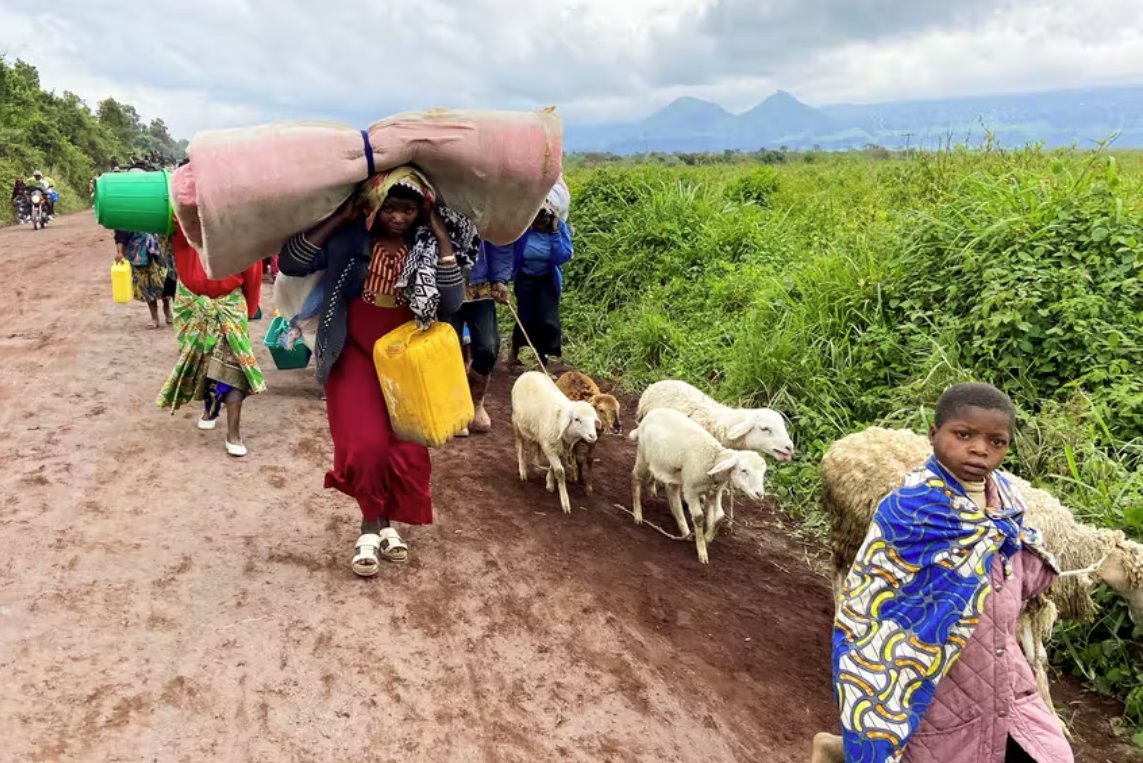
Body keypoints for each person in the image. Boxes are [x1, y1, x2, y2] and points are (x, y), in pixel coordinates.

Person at [825, 382, 1073, 763]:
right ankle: (836, 750)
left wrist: (1034, 563)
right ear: (933, 434)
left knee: (1050, 752)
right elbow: (875, 602)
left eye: (997, 442)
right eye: (964, 435)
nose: (979, 449)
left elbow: (1015, 571)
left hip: (1001, 667)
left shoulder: (1006, 498)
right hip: (931, 676)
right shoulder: (911, 511)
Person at [278, 166, 478, 577]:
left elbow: (454, 301)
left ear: (421, 213)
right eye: (391, 209)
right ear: (374, 205)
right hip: (353, 352)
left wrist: (441, 237)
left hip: (407, 360)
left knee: (405, 447)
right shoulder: (351, 239)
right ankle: (371, 524)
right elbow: (291, 261)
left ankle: (385, 521)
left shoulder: (425, 246)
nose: (399, 218)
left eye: (409, 210)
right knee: (365, 444)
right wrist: (341, 216)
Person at [156, 220, 265, 457]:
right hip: (192, 302)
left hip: (228, 303)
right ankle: (210, 408)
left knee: (234, 367)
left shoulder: (240, 226)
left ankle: (233, 433)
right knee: (204, 363)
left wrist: (245, 311)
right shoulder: (182, 220)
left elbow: (253, 272)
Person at [448, 239, 513, 435]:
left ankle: (475, 400)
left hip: (480, 286)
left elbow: (502, 238)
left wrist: (500, 279)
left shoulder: (488, 209)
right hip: (444, 280)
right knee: (448, 346)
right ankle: (455, 406)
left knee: (488, 346)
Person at [509, 205, 572, 369]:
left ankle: (543, 358)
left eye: (543, 221)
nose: (539, 224)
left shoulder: (558, 229)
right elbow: (511, 251)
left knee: (548, 320)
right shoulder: (523, 230)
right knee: (526, 318)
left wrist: (554, 233)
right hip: (525, 278)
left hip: (546, 279)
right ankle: (515, 349)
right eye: (536, 220)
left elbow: (562, 257)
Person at [113, 230, 173, 328]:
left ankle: (167, 309)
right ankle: (154, 318)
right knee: (146, 286)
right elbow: (121, 233)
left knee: (162, 281)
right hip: (138, 254)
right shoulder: (127, 216)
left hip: (157, 250)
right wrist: (120, 252)